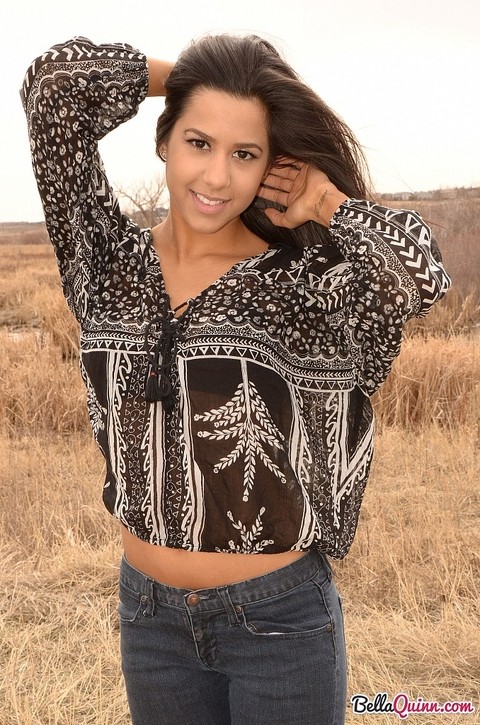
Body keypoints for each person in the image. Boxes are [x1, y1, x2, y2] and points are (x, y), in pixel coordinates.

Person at [21, 34, 450, 725]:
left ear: (268, 167)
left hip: (278, 624)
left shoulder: (302, 285)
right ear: (165, 141)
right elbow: (54, 89)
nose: (217, 177)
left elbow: (417, 272)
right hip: (150, 621)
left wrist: (325, 203)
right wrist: (188, 76)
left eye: (244, 154)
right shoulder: (104, 263)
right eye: (199, 141)